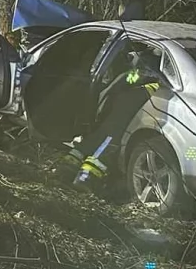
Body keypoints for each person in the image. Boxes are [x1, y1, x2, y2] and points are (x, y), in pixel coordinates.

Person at [54, 47, 166, 189]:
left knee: (93, 141)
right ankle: (84, 179)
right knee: (103, 148)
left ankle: (65, 170)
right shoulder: (153, 86)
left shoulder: (133, 76)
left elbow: (116, 87)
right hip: (116, 124)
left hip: (108, 115)